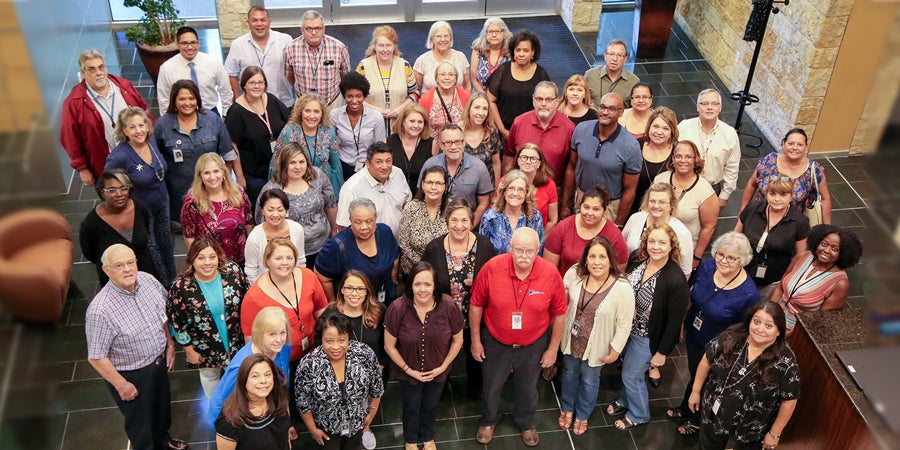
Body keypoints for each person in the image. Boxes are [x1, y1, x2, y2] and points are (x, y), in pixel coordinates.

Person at [85, 244, 188, 450]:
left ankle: (164, 442)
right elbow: (96, 357)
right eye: (119, 265)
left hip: (159, 365)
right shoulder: (100, 310)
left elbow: (163, 315)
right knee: (141, 426)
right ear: (107, 270)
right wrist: (122, 385)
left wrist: (169, 344)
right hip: (132, 375)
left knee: (161, 412)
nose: (128, 269)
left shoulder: (148, 281)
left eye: (130, 262)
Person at [469, 228, 566, 447]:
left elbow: (559, 314)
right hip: (495, 342)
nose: (523, 256)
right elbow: (476, 305)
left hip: (533, 344)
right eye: (519, 250)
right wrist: (476, 340)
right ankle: (489, 420)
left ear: (538, 250)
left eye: (529, 251)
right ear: (510, 248)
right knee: (491, 386)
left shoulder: (550, 273)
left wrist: (552, 349)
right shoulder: (492, 268)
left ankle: (525, 421)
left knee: (528, 387)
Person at [668, 232, 760, 436]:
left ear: (742, 261)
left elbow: (745, 330)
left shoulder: (748, 294)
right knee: (694, 374)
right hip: (694, 331)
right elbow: (693, 293)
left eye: (731, 258)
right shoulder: (708, 266)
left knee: (707, 381)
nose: (723, 261)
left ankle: (697, 418)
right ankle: (686, 406)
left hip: (719, 347)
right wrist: (684, 321)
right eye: (720, 254)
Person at [607, 222, 689, 430]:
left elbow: (674, 322)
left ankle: (639, 414)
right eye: (652, 241)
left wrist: (662, 352)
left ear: (672, 246)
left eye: (662, 242)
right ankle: (626, 401)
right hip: (626, 330)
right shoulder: (638, 259)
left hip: (647, 337)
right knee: (628, 369)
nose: (656, 246)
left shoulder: (675, 279)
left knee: (631, 375)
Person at [687, 302, 799, 450]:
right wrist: (695, 391)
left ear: (779, 331)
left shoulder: (786, 361)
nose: (760, 329)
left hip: (748, 432)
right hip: (713, 416)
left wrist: (774, 433)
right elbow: (706, 360)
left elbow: (789, 400)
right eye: (757, 322)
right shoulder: (732, 336)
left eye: (768, 326)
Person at [558, 236, 635, 435]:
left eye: (602, 257)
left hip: (596, 347)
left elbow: (625, 324)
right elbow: (561, 299)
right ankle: (567, 408)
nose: (597, 262)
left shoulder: (622, 288)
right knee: (569, 373)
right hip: (571, 340)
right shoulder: (574, 274)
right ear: (585, 259)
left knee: (589, 380)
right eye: (592, 256)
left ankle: (582, 415)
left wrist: (615, 350)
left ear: (611, 260)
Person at [421, 199, 497, 399]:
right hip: (443, 318)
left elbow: (492, 282)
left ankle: (474, 394)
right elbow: (425, 283)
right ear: (447, 221)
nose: (459, 225)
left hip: (476, 318)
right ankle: (441, 392)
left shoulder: (485, 246)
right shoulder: (434, 248)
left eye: (464, 220)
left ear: (472, 222)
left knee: (476, 360)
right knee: (442, 360)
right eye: (454, 220)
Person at [384, 262, 464, 450]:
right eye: (417, 284)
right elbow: (389, 346)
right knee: (411, 406)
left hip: (438, 371)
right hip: (407, 373)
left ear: (435, 285)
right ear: (410, 284)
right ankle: (410, 439)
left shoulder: (449, 306)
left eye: (427, 284)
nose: (422, 289)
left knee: (430, 405)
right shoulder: (397, 308)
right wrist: (408, 370)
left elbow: (458, 340)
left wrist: (443, 367)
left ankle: (428, 436)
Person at [241, 238, 328, 387]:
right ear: (267, 260)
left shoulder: (308, 276)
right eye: (278, 258)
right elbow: (250, 338)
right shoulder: (254, 297)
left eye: (289, 257)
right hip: (279, 361)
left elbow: (321, 310)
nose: (285, 263)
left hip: (313, 352)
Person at [168, 237, 248, 398]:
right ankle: (217, 411)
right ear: (192, 260)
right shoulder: (181, 287)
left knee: (239, 377)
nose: (207, 263)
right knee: (210, 376)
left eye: (212, 257)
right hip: (205, 347)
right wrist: (189, 350)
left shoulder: (232, 272)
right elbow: (177, 323)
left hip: (237, 341)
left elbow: (247, 299)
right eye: (201, 257)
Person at [106, 107, 176, 286]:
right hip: (141, 211)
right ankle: (161, 285)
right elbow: (108, 186)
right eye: (132, 127)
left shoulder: (151, 142)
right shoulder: (119, 156)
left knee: (166, 243)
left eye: (141, 125)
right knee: (152, 250)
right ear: (124, 131)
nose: (138, 131)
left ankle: (173, 280)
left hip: (162, 203)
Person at [61, 49, 151, 186]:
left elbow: (145, 114)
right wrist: (82, 168)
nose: (98, 73)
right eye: (91, 69)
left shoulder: (124, 86)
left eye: (101, 67)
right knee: (116, 201)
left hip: (138, 156)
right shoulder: (74, 102)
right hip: (106, 164)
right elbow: (70, 138)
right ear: (83, 73)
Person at [296, 311, 384, 449]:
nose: (336, 347)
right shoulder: (309, 364)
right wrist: (312, 429)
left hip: (357, 424)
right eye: (329, 341)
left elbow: (377, 387)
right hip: (327, 428)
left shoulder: (364, 354)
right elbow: (303, 402)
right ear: (321, 339)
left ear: (348, 337)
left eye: (341, 340)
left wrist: (371, 413)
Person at [155, 79, 238, 227]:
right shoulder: (162, 124)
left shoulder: (212, 120)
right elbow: (155, 158)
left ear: (198, 100)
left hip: (211, 191)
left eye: (191, 98)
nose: (187, 103)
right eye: (182, 99)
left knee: (214, 227)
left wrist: (225, 183)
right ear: (174, 101)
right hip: (179, 193)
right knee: (187, 231)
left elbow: (228, 154)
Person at [563, 92, 642, 227]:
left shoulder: (630, 145)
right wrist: (565, 204)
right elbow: (571, 167)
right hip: (582, 199)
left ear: (621, 113)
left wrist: (619, 224)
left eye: (611, 109)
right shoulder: (581, 130)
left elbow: (630, 190)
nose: (605, 112)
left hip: (609, 206)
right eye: (602, 107)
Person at [207, 306, 293, 428]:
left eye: (282, 333)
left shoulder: (283, 348)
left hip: (265, 409)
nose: (279, 339)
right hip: (234, 417)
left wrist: (285, 423)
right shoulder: (241, 365)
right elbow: (227, 402)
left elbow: (282, 385)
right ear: (259, 334)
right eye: (272, 334)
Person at [257, 142, 338, 269]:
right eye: (292, 162)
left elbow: (331, 203)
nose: (298, 167)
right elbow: (261, 221)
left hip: (323, 245)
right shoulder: (271, 190)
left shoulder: (318, 176)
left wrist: (334, 230)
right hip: (290, 254)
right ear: (283, 165)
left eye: (301, 162)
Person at [771, 224, 862, 334]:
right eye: (824, 244)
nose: (827, 250)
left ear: (842, 253)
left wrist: (785, 336)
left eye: (834, 249)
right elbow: (780, 288)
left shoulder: (840, 283)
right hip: (774, 318)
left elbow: (820, 322)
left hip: (797, 332)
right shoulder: (802, 257)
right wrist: (768, 314)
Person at [226, 66, 291, 209]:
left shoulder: (272, 100)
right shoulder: (236, 111)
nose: (257, 86)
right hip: (255, 174)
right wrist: (240, 176)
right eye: (252, 82)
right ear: (244, 85)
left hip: (280, 169)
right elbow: (232, 146)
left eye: (260, 82)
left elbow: (289, 124)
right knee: (261, 208)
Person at [736, 177, 810, 298]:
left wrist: (785, 283)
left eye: (783, 194)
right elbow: (734, 238)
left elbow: (800, 256)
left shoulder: (799, 222)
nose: (777, 199)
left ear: (791, 196)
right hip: (742, 272)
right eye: (772, 194)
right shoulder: (752, 209)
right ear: (766, 194)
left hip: (773, 279)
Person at [316, 198, 400, 304]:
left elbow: (395, 257)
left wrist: (393, 280)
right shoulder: (337, 245)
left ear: (375, 219)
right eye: (358, 222)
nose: (364, 227)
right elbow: (323, 277)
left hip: (385, 299)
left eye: (369, 221)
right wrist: (333, 303)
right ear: (350, 220)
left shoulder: (385, 233)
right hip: (354, 305)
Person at [80, 170, 158, 284]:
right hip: (116, 279)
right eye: (112, 190)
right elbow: (90, 254)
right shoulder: (90, 224)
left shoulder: (140, 208)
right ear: (102, 192)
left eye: (123, 188)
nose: (119, 194)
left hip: (144, 269)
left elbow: (147, 230)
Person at [741, 128, 833, 224]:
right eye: (791, 143)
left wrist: (827, 228)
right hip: (759, 218)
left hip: (790, 225)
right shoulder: (769, 160)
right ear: (783, 143)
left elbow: (825, 198)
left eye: (800, 145)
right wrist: (742, 212)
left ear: (806, 147)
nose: (795, 148)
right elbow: (752, 185)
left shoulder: (813, 170)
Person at [654, 140, 719, 270]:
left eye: (688, 156)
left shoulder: (705, 192)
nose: (683, 160)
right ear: (672, 158)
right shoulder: (660, 179)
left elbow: (709, 227)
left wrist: (696, 257)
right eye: (678, 156)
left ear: (695, 160)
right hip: (655, 246)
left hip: (683, 253)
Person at [180, 153, 254, 267]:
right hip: (211, 263)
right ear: (200, 176)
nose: (212, 177)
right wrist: (198, 264)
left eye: (216, 171)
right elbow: (189, 237)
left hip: (241, 259)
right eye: (207, 173)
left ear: (223, 172)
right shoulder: (193, 202)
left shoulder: (238, 193)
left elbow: (249, 223)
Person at [544, 185, 629, 276]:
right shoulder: (563, 227)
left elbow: (618, 271)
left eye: (596, 209)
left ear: (604, 210)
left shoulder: (615, 235)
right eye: (586, 207)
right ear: (580, 206)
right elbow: (549, 269)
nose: (589, 213)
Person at [419, 124, 493, 227]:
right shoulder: (430, 164)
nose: (454, 147)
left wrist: (469, 227)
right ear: (441, 145)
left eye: (458, 142)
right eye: (449, 143)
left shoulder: (479, 167)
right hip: (433, 227)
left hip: (465, 226)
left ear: (464, 143)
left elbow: (484, 204)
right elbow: (420, 197)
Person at [677, 89, 740, 208]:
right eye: (705, 103)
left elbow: (732, 167)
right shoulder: (684, 127)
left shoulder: (730, 133)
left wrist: (724, 196)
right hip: (682, 183)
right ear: (697, 107)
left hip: (711, 188)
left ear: (720, 108)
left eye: (714, 104)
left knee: (707, 224)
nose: (709, 107)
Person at [503, 81, 574, 186]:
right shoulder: (519, 122)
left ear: (557, 101)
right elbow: (509, 155)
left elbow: (571, 166)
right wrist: (508, 183)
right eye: (539, 99)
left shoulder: (569, 128)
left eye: (549, 99)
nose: (543, 104)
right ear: (533, 100)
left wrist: (565, 199)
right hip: (520, 187)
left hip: (553, 190)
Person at [215, 354, 292, 450]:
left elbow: (285, 435)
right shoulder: (230, 420)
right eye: (255, 376)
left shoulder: (279, 398)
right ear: (244, 380)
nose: (263, 381)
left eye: (267, 374)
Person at [336, 142, 411, 237]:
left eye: (388, 161)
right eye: (379, 162)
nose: (384, 166)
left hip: (401, 243)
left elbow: (406, 203)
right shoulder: (351, 189)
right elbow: (343, 227)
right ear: (367, 163)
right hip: (370, 247)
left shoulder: (398, 174)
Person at [224, 6, 295, 107]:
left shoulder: (286, 40)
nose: (259, 24)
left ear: (269, 22)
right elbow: (231, 74)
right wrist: (237, 99)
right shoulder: (238, 44)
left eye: (263, 20)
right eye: (254, 20)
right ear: (248, 22)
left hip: (283, 102)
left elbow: (295, 69)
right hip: (251, 105)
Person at [274, 93, 343, 196]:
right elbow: (276, 163)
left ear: (322, 114)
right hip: (295, 188)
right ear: (300, 112)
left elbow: (335, 166)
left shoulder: (329, 133)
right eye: (307, 111)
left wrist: (334, 196)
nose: (312, 116)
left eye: (316, 111)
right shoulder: (289, 132)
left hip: (322, 188)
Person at [487, 29, 551, 138]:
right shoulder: (503, 70)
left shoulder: (541, 74)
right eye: (518, 50)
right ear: (513, 51)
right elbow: (490, 101)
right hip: (501, 131)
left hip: (531, 132)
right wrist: (502, 130)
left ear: (533, 52)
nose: (521, 54)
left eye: (526, 50)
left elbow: (547, 104)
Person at [622, 182, 695, 276]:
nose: (656, 206)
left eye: (662, 202)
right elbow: (621, 250)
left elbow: (685, 272)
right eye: (652, 201)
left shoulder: (682, 232)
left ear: (671, 205)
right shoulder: (635, 219)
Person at [158, 26, 233, 115]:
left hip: (210, 112)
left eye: (193, 43)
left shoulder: (212, 62)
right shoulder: (166, 68)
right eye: (184, 43)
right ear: (177, 44)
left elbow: (226, 90)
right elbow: (164, 100)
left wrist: (225, 114)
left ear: (198, 43)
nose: (190, 47)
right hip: (182, 115)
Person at [356, 25, 419, 131]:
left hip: (400, 126)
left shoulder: (405, 66)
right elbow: (355, 98)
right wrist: (376, 110)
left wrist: (401, 108)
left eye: (388, 45)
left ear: (394, 46)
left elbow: (415, 93)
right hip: (371, 126)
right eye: (381, 45)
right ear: (374, 46)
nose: (385, 50)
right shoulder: (363, 67)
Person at [282, 10, 350, 106]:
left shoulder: (339, 48)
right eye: (309, 29)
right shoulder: (289, 49)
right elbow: (289, 75)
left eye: (318, 28)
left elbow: (345, 77)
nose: (314, 32)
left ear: (323, 29)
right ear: (302, 30)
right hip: (303, 105)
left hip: (332, 104)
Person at [330, 72, 387, 181]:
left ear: (364, 96)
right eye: (350, 96)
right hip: (343, 166)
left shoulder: (376, 117)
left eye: (358, 96)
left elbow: (380, 147)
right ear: (344, 96)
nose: (354, 101)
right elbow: (331, 144)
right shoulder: (335, 115)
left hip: (368, 167)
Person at [324, 270, 387, 367]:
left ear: (367, 291)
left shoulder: (379, 311)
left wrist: (381, 367)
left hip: (373, 371)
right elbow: (322, 348)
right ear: (342, 290)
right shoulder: (330, 314)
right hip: (340, 372)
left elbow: (386, 344)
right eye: (349, 288)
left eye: (360, 289)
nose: (354, 293)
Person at [245, 189, 306, 283]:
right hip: (266, 286)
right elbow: (251, 271)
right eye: (270, 210)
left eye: (280, 210)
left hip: (293, 282)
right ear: (262, 210)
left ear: (286, 210)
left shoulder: (296, 229)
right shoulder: (255, 237)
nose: (275, 214)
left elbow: (301, 261)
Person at [398, 166, 449, 276]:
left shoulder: (452, 209)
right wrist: (424, 268)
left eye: (439, 183)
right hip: (413, 271)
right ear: (422, 184)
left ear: (446, 187)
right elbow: (404, 243)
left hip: (444, 271)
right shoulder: (411, 208)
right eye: (429, 182)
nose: (433, 187)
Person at [478, 170, 544, 255]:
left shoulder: (535, 217)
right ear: (504, 192)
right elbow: (482, 252)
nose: (515, 193)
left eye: (520, 189)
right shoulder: (490, 217)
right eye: (511, 188)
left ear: (526, 193)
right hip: (496, 267)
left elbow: (539, 251)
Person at [631, 106, 678, 216]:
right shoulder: (635, 146)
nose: (659, 132)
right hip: (633, 206)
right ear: (649, 127)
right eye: (655, 126)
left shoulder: (678, 152)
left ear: (672, 131)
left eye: (665, 128)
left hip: (662, 211)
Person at [506, 143, 559, 234]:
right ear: (518, 160)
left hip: (538, 238)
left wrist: (539, 241)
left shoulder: (549, 185)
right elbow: (497, 211)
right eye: (524, 157)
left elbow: (553, 220)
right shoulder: (505, 182)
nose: (528, 161)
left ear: (539, 163)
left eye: (533, 159)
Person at [419, 62, 471, 147]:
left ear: (456, 79)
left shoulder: (466, 97)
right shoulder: (425, 99)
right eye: (443, 74)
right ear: (436, 78)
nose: (447, 78)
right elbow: (421, 126)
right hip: (433, 147)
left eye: (451, 74)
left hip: (459, 146)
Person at [387, 103, 435, 194]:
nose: (416, 125)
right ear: (403, 122)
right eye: (412, 121)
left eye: (420, 122)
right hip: (394, 196)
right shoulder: (389, 142)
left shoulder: (432, 144)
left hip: (421, 198)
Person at [414, 21, 471, 92]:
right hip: (429, 102)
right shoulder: (422, 60)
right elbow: (416, 90)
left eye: (446, 36)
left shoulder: (461, 57)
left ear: (450, 38)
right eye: (438, 36)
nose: (443, 39)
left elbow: (467, 85)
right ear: (432, 39)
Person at [459, 93, 503, 186]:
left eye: (485, 109)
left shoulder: (492, 131)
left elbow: (496, 164)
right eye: (477, 107)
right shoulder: (457, 131)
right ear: (469, 108)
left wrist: (496, 190)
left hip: (486, 188)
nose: (481, 113)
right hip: (462, 188)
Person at [585, 39, 640, 108]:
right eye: (611, 54)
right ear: (605, 56)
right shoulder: (590, 75)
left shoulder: (633, 81)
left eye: (619, 55)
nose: (614, 59)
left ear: (625, 59)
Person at [470, 17, 512, 93]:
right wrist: (486, 99)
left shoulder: (510, 52)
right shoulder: (477, 50)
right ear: (485, 34)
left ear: (504, 33)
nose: (494, 35)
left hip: (503, 98)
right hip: (481, 97)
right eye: (490, 31)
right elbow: (474, 79)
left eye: (497, 31)